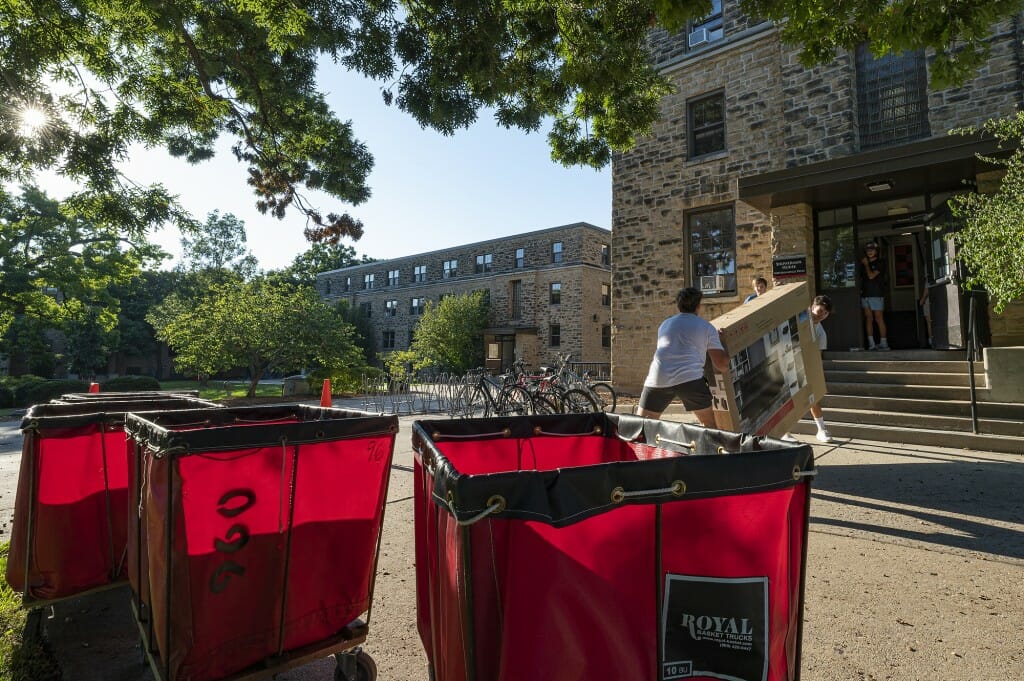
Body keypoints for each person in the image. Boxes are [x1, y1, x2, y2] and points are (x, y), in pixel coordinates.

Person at [637, 287, 730, 427]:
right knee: (710, 427)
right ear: (699, 306)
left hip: (658, 377)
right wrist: (724, 343)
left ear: (678, 305)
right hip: (690, 379)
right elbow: (722, 365)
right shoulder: (706, 327)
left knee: (641, 427)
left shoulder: (664, 325)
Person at [783, 294, 835, 443]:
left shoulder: (821, 333)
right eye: (820, 311)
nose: (822, 315)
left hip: (804, 367)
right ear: (812, 307)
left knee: (813, 398)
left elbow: (817, 358)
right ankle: (785, 432)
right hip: (786, 363)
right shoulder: (797, 317)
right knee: (787, 400)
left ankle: (821, 429)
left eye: (825, 314)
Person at [859, 241, 889, 350]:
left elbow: (871, 276)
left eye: (872, 250)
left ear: (876, 251)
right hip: (865, 294)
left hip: (876, 294)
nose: (870, 252)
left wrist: (867, 265)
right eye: (868, 250)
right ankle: (871, 343)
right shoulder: (862, 264)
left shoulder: (880, 262)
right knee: (868, 318)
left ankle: (884, 343)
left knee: (879, 318)